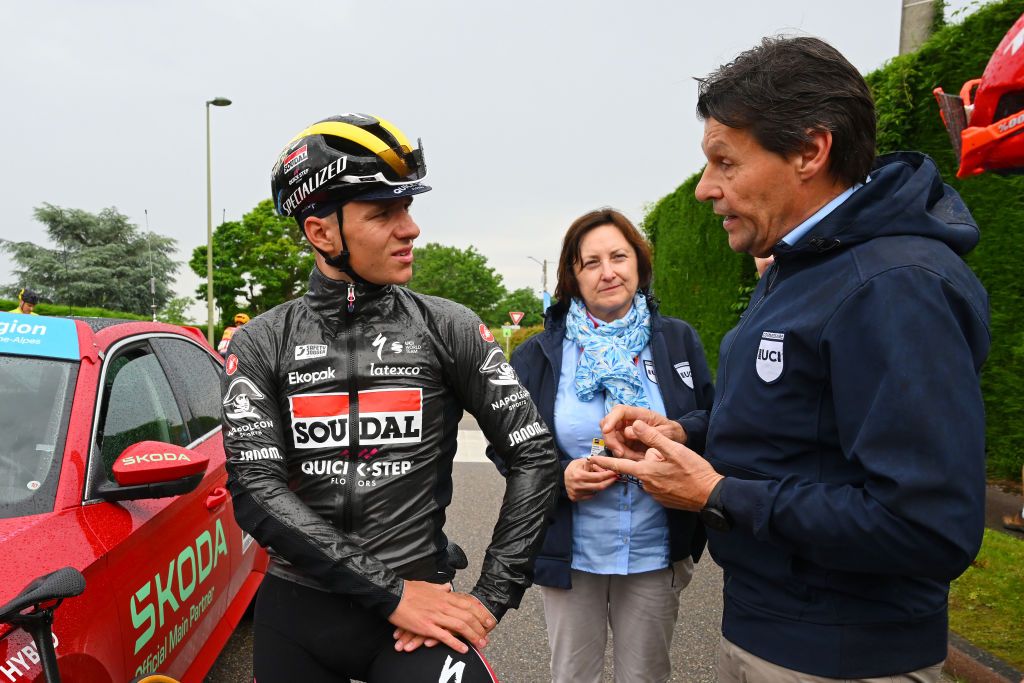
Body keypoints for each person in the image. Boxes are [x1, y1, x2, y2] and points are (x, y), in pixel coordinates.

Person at [592, 36, 990, 682]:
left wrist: (718, 494)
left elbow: (927, 524)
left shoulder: (892, 285)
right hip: (769, 632)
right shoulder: (805, 267)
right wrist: (680, 433)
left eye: (725, 162)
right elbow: (794, 427)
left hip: (842, 657)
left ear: (810, 150)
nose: (704, 189)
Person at [222, 113, 559, 682]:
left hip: (419, 616)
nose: (411, 229)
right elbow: (256, 491)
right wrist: (391, 593)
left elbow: (535, 456)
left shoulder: (449, 326)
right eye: (384, 213)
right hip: (304, 612)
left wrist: (490, 597)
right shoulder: (261, 341)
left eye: (408, 208)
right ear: (321, 232)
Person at [485, 207, 714, 683]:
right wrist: (559, 474)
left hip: (655, 544)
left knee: (647, 676)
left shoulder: (677, 340)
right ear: (572, 273)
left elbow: (714, 418)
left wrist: (679, 432)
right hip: (572, 549)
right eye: (591, 262)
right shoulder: (537, 354)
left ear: (639, 264)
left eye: (619, 256)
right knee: (572, 675)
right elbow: (507, 445)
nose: (608, 272)